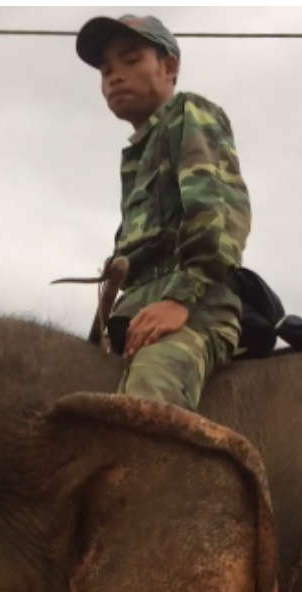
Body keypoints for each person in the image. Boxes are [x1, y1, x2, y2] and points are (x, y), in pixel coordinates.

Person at [76, 14, 251, 410]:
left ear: (169, 67)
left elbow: (214, 216)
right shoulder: (137, 154)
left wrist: (180, 302)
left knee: (148, 396)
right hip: (134, 317)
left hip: (196, 312)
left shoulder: (190, 113)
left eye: (131, 59)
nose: (115, 76)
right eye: (106, 71)